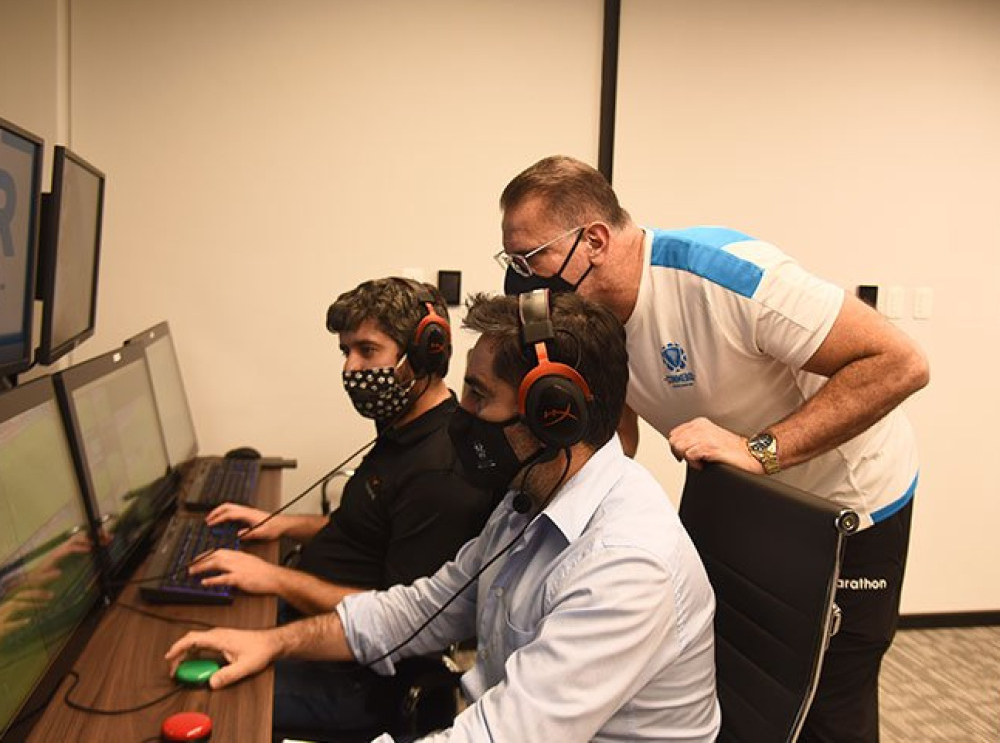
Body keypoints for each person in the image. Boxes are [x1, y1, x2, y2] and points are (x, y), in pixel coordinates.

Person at [496, 155, 930, 743]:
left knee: (828, 699)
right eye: (512, 262)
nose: (522, 280)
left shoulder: (724, 276)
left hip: (847, 501)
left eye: (531, 258)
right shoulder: (594, 314)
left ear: (593, 240)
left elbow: (900, 363)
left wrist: (761, 450)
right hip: (746, 496)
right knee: (737, 678)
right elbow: (619, 437)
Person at [167, 289, 721, 742]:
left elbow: (499, 737)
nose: (463, 411)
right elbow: (417, 610)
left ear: (553, 416)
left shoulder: (625, 567)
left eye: (479, 395)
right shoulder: (528, 499)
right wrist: (272, 642)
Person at [188, 277, 499, 736]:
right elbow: (368, 526)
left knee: (196, 696)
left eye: (367, 351)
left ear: (425, 354)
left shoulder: (441, 471)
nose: (351, 367)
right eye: (345, 352)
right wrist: (283, 526)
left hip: (357, 677)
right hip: (315, 631)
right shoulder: (403, 427)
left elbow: (398, 618)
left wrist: (274, 577)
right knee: (188, 624)